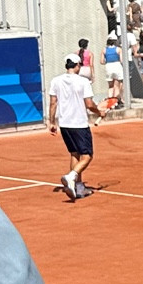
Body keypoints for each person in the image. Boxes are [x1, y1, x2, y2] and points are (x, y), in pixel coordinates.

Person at [47, 54, 100, 202]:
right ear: (77, 65)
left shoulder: (56, 81)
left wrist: (52, 122)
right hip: (79, 124)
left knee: (74, 154)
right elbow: (89, 104)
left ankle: (79, 188)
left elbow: (53, 103)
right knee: (87, 156)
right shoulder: (84, 81)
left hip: (64, 125)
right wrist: (99, 112)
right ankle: (71, 176)